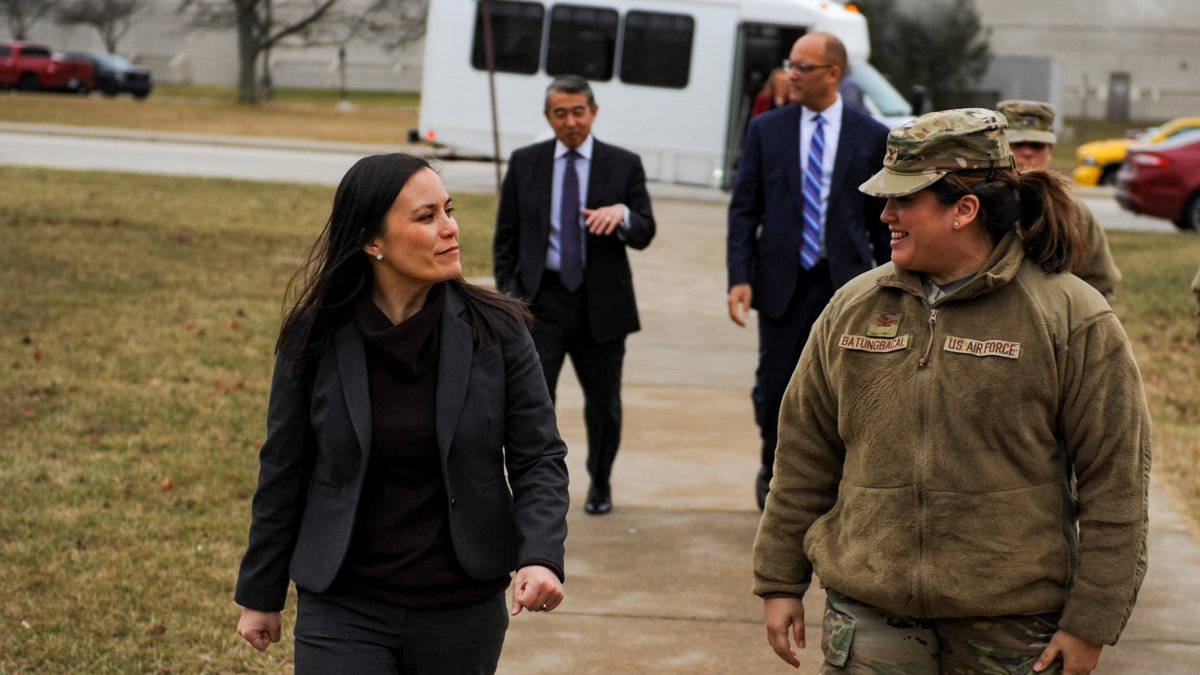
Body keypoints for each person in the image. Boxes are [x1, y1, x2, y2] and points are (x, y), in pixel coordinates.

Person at [753, 109, 1151, 674]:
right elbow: (803, 453)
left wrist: (1090, 622)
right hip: (870, 609)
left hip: (1011, 621)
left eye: (903, 200)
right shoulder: (853, 308)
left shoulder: (1070, 316)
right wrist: (779, 578)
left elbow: (1118, 482)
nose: (885, 213)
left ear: (965, 210)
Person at [234, 154, 570, 674]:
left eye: (449, 211)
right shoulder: (314, 335)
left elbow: (538, 457)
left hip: (462, 608)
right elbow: (284, 465)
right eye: (426, 216)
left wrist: (541, 554)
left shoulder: (499, 330)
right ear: (373, 241)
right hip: (343, 603)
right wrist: (262, 590)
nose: (450, 228)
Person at [727, 31, 891, 510]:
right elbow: (744, 209)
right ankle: (772, 467)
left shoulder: (870, 135)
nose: (790, 74)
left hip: (844, 286)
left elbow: (881, 221)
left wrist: (893, 280)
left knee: (843, 388)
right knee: (774, 386)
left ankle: (835, 480)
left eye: (802, 67)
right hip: (781, 283)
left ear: (833, 74)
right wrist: (739, 275)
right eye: (790, 65)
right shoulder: (767, 130)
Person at [493, 74, 655, 516]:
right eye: (560, 114)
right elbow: (505, 239)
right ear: (548, 117)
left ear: (594, 112)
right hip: (540, 303)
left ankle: (600, 482)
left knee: (604, 405)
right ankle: (533, 490)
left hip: (601, 304)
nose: (570, 122)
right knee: (532, 402)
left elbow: (645, 230)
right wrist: (510, 299)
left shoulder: (623, 164)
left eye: (578, 112)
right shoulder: (525, 162)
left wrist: (621, 214)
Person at [998, 99, 1122, 303]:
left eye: (1037, 145)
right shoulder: (978, 205)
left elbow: (1099, 284)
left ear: (1051, 150)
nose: (1028, 152)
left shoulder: (1073, 212)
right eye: (1017, 144)